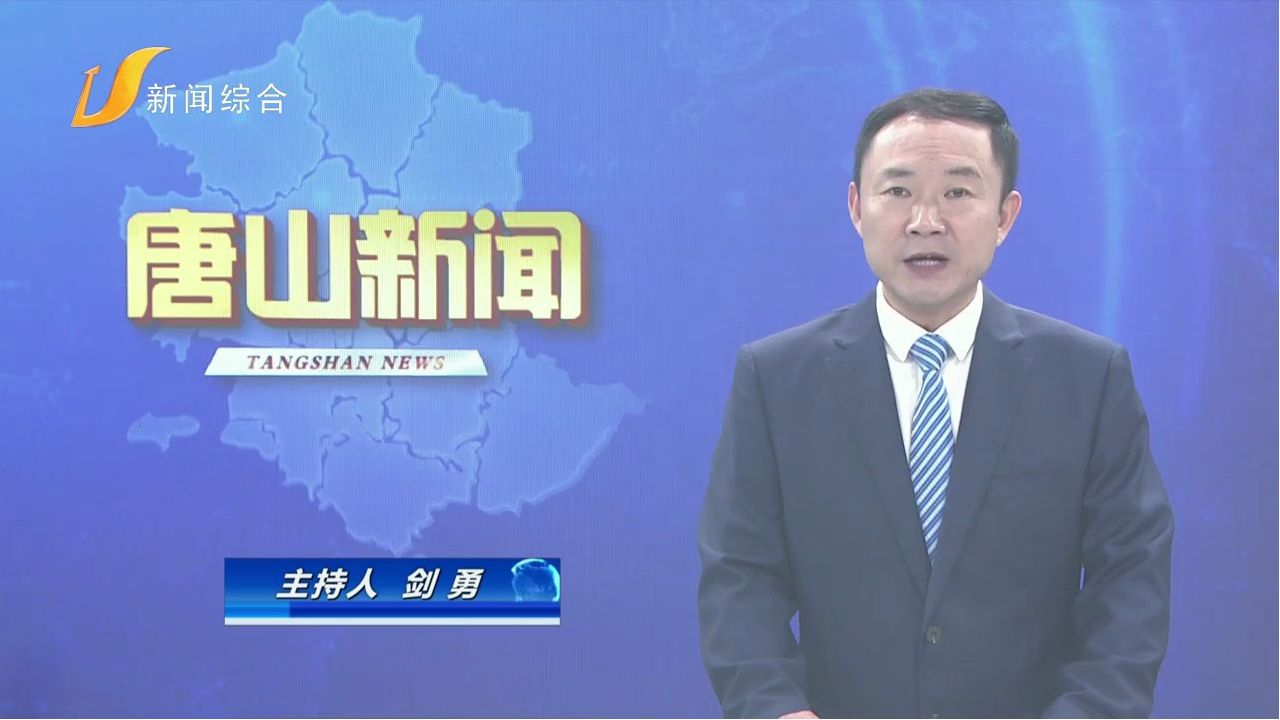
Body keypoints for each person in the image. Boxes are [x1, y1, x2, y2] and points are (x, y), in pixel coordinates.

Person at [696, 88, 1173, 719]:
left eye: (958, 192)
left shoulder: (1087, 378)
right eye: (897, 191)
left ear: (1004, 215)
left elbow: (1130, 577)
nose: (925, 221)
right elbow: (739, 575)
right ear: (856, 207)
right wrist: (777, 709)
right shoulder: (777, 379)